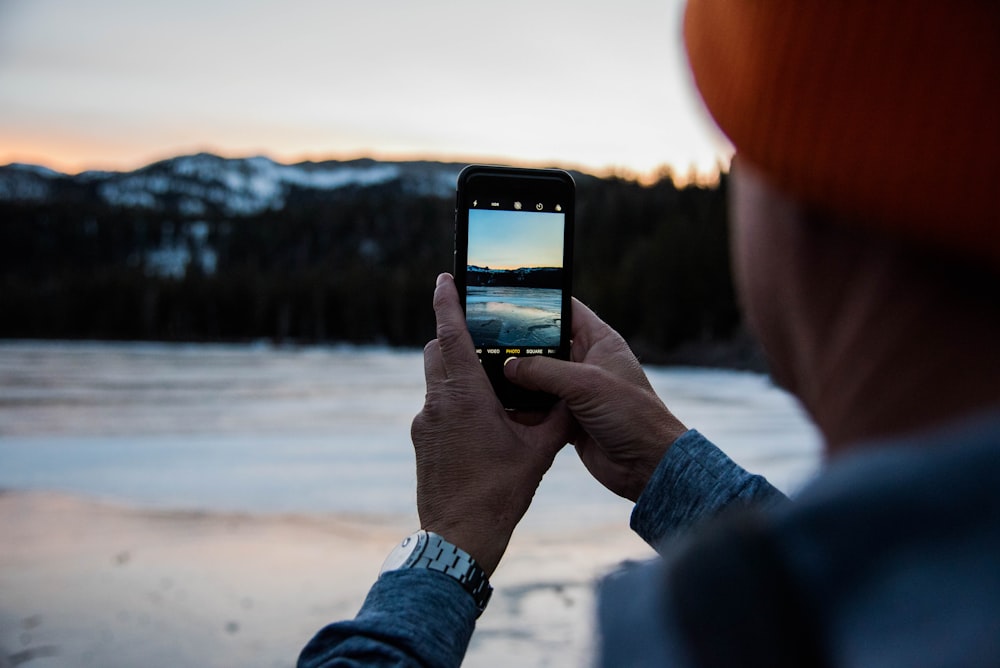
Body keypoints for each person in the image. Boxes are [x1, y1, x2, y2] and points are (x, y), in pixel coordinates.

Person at [299, 1, 1000, 665]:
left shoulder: (731, 635)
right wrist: (664, 466)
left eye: (742, 155)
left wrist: (450, 541)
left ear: (807, 201)